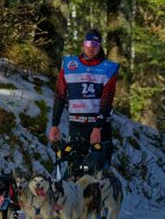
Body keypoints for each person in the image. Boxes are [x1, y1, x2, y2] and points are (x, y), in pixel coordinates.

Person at [47, 28, 119, 171]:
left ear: (100, 46)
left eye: (95, 45)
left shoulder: (109, 68)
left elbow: (107, 100)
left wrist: (98, 127)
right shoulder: (69, 65)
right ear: (83, 44)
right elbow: (60, 95)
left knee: (98, 171)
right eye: (88, 43)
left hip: (99, 126)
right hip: (76, 126)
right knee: (74, 168)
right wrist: (55, 125)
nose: (91, 48)